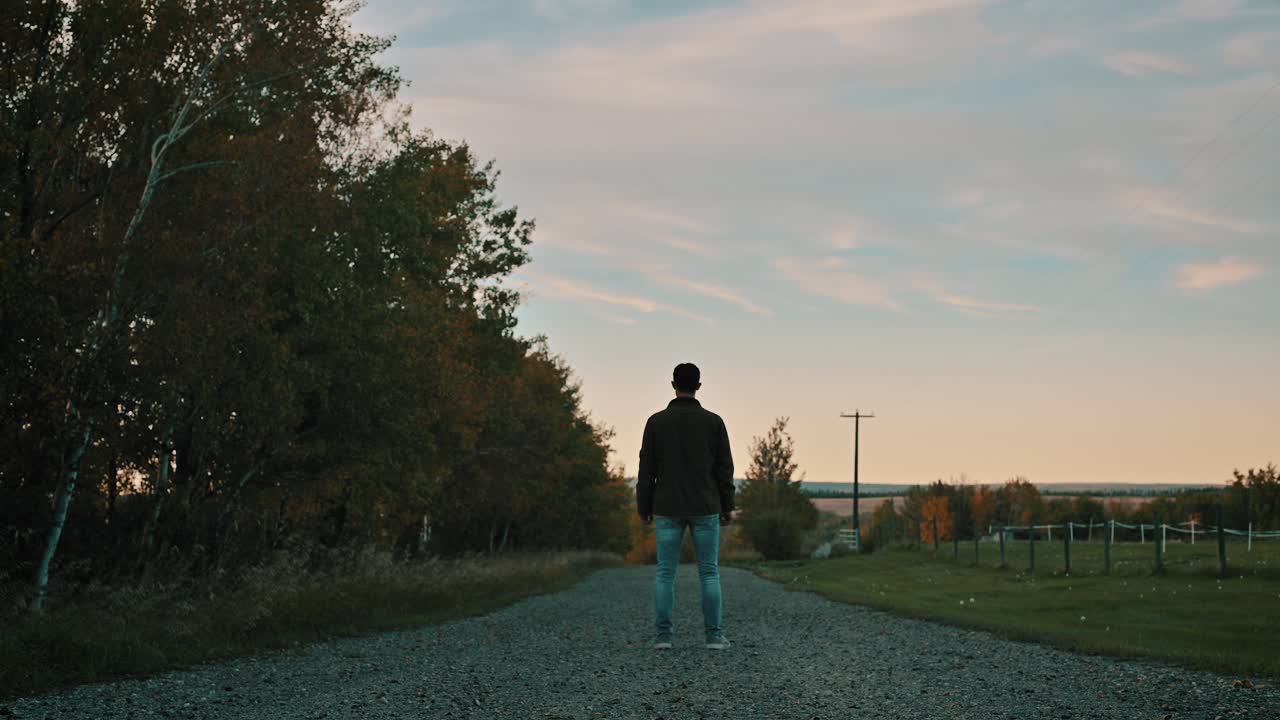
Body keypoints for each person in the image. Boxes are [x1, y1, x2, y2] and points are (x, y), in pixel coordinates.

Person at [636, 362, 735, 650]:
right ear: (699, 386)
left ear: (672, 384)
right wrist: (728, 505)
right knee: (709, 571)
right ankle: (714, 636)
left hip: (667, 506)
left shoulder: (656, 422)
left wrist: (644, 506)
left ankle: (663, 636)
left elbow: (646, 470)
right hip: (705, 505)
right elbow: (724, 469)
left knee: (665, 573)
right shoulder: (714, 422)